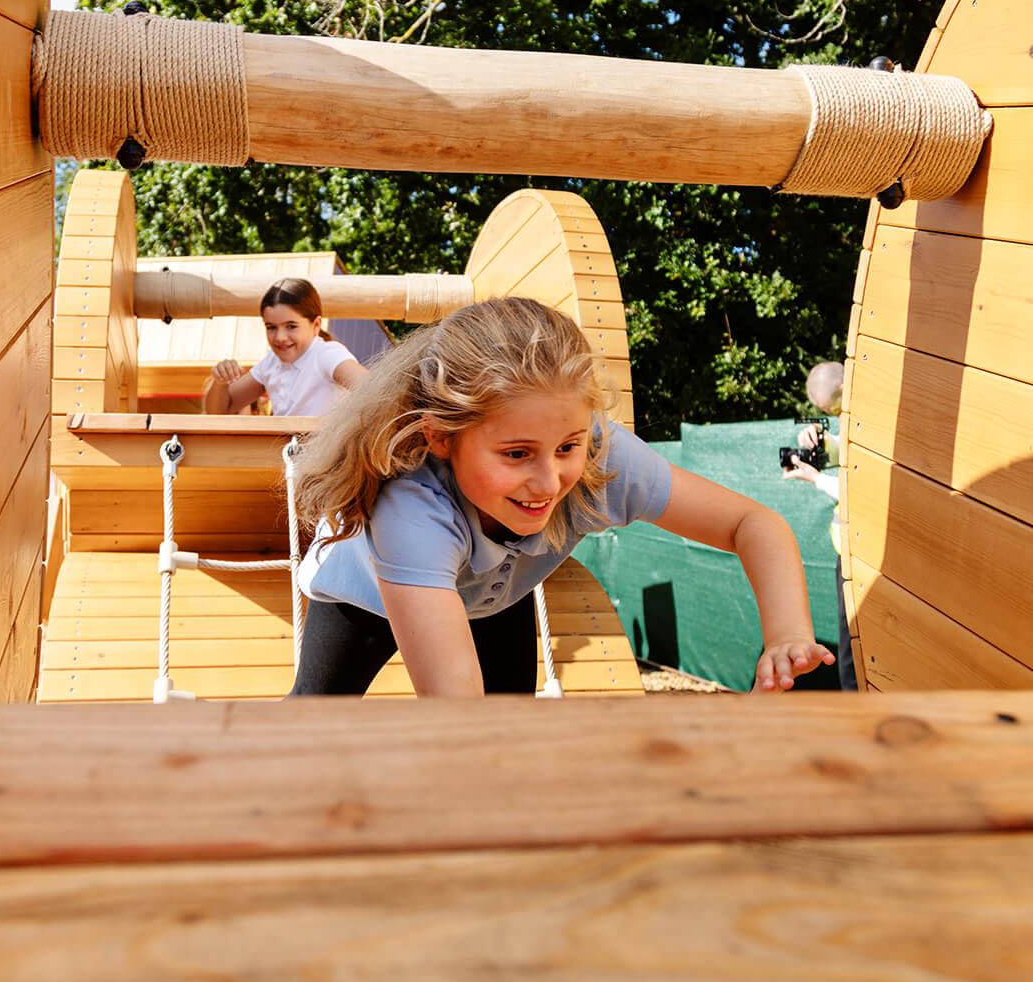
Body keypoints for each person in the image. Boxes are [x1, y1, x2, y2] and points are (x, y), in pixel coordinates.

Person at [289, 296, 834, 698]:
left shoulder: (601, 457)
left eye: (567, 445)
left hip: (498, 593)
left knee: (512, 731)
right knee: (311, 722)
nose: (550, 483)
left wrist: (786, 635)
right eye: (517, 454)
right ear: (441, 438)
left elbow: (752, 523)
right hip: (363, 597)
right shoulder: (412, 509)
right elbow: (457, 710)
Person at [782, 360, 857, 691]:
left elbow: (864, 485)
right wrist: (822, 442)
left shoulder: (872, 413)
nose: (838, 416)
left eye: (835, 408)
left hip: (863, 556)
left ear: (845, 388)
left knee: (853, 653)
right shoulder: (855, 414)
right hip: (850, 554)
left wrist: (817, 480)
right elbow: (852, 449)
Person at [204, 277, 367, 417]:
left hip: (326, 450)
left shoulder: (327, 354)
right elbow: (220, 410)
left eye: (291, 326)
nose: (280, 338)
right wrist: (220, 382)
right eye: (271, 327)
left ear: (316, 325)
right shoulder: (271, 363)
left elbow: (373, 389)